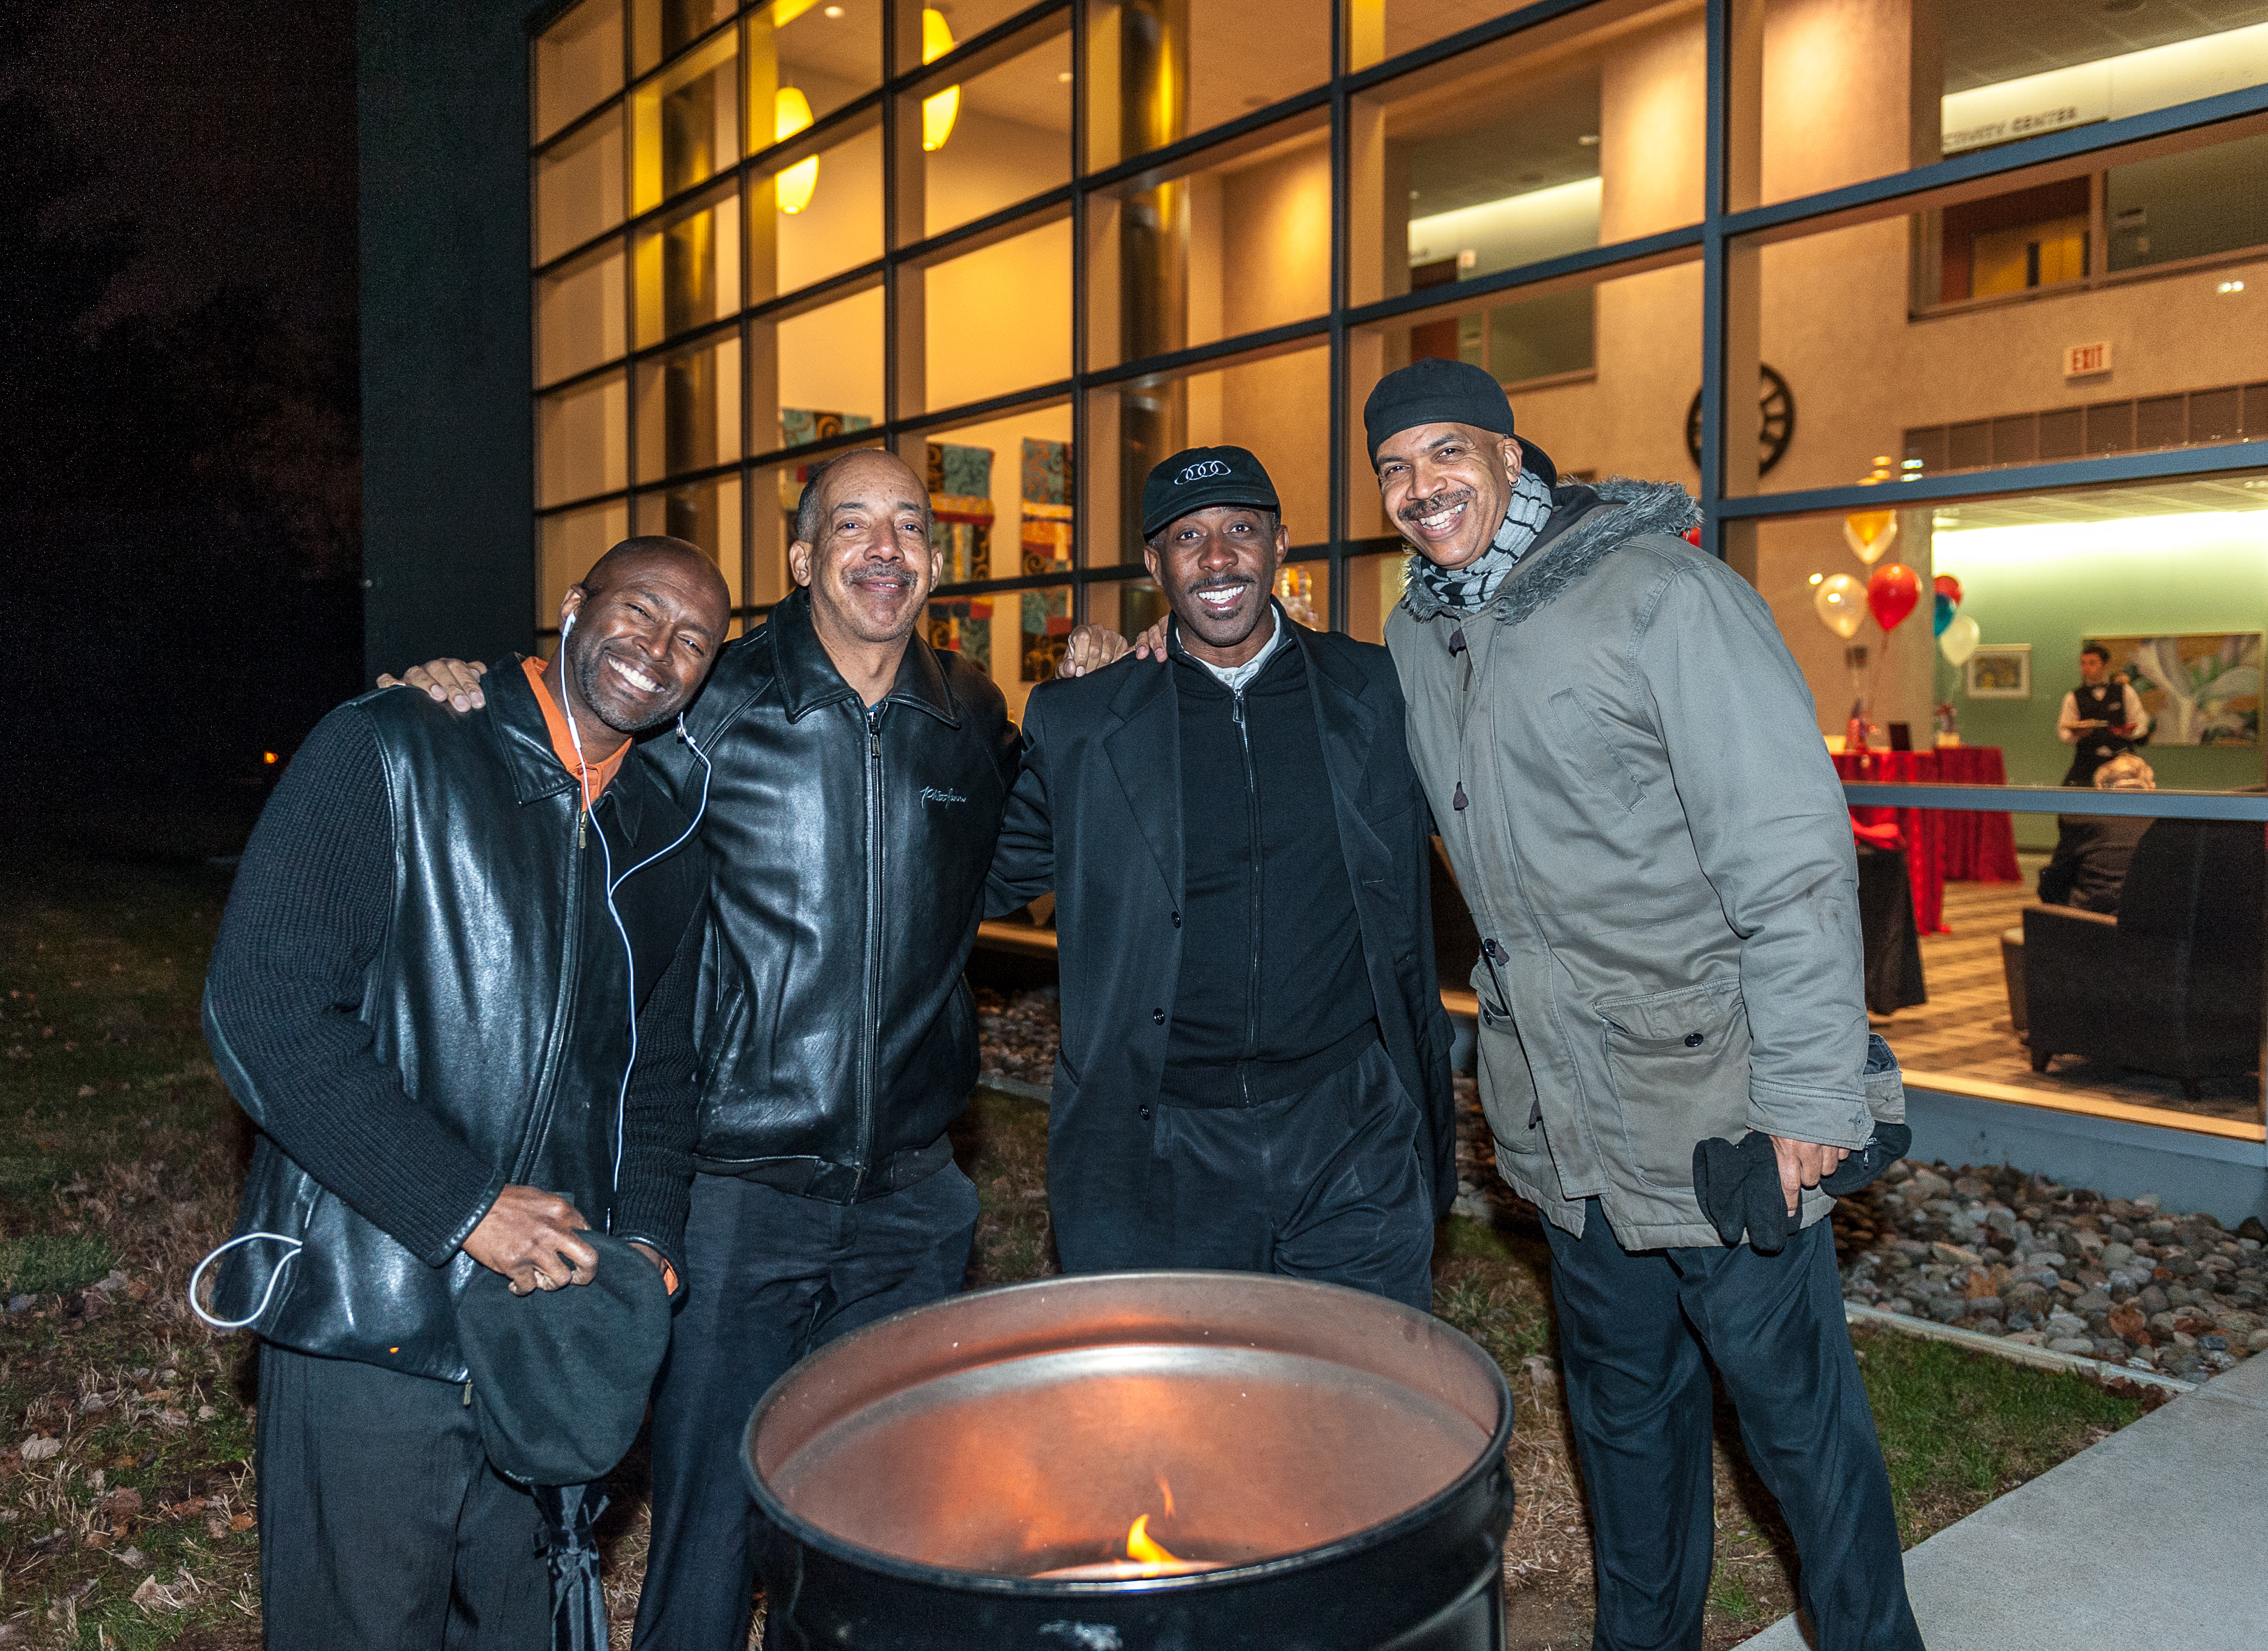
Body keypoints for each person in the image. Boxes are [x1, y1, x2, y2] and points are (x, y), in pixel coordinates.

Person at [382, 448, 1021, 1651]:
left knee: (877, 1523)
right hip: (736, 1195)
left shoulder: (971, 716)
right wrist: (463, 700)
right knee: (710, 1530)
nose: (884, 548)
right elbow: (569, 772)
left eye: (908, 525)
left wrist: (1114, 665)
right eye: (852, 524)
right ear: (803, 557)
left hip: (910, 1202)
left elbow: (1020, 853)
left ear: (937, 563)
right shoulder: (710, 699)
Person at [1364, 358, 1919, 1649]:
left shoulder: (1661, 593)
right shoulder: (1418, 635)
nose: (1419, 485)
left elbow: (1789, 855)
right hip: (1566, 1134)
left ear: (1511, 456)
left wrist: (1809, 1097)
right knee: (1624, 1431)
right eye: (1393, 467)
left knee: (1799, 1434)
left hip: (1718, 1113)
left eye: (1446, 452)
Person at [201, 537, 728, 1649]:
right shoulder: (397, 746)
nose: (659, 648)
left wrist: (646, 1252)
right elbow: (264, 1011)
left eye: (694, 639)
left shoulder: (667, 832)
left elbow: (659, 1074)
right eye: (639, 610)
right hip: (368, 1316)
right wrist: (466, 1207)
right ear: (574, 604)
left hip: (546, 1332)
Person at [986, 445, 1453, 1309]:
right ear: (1153, 564)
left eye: (1241, 528)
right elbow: (967, 877)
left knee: (1364, 1381)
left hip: (1350, 1127)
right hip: (1164, 1137)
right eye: (1187, 537)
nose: (1217, 557)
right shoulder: (1083, 721)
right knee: (1180, 1390)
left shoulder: (1374, 689)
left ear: (1281, 546)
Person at [2038, 751, 2157, 912]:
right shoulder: (2162, 823)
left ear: (2100, 788)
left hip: (2090, 916)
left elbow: (2053, 882)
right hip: (2146, 917)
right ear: (2151, 788)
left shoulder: (2082, 820)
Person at [2057, 642, 2148, 786]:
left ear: (2106, 664)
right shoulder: (2072, 697)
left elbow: (2141, 724)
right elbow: (2063, 733)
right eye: (2083, 663)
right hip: (2086, 764)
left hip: (2122, 763)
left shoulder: (2125, 691)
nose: (2086, 668)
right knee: (2069, 798)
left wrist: (2130, 733)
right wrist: (2077, 734)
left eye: (2092, 663)